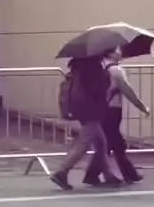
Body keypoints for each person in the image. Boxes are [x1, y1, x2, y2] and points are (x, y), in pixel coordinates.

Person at [51, 56, 122, 191]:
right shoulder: (92, 67)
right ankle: (62, 171)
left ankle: (108, 175)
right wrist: (109, 82)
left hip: (81, 106)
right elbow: (98, 88)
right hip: (91, 109)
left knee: (101, 143)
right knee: (84, 142)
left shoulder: (78, 67)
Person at [102, 47, 150, 184]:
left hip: (102, 109)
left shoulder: (101, 67)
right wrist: (142, 107)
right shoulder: (116, 71)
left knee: (108, 143)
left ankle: (92, 174)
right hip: (113, 110)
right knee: (117, 143)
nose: (121, 52)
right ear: (110, 53)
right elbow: (128, 92)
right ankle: (130, 174)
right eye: (118, 50)